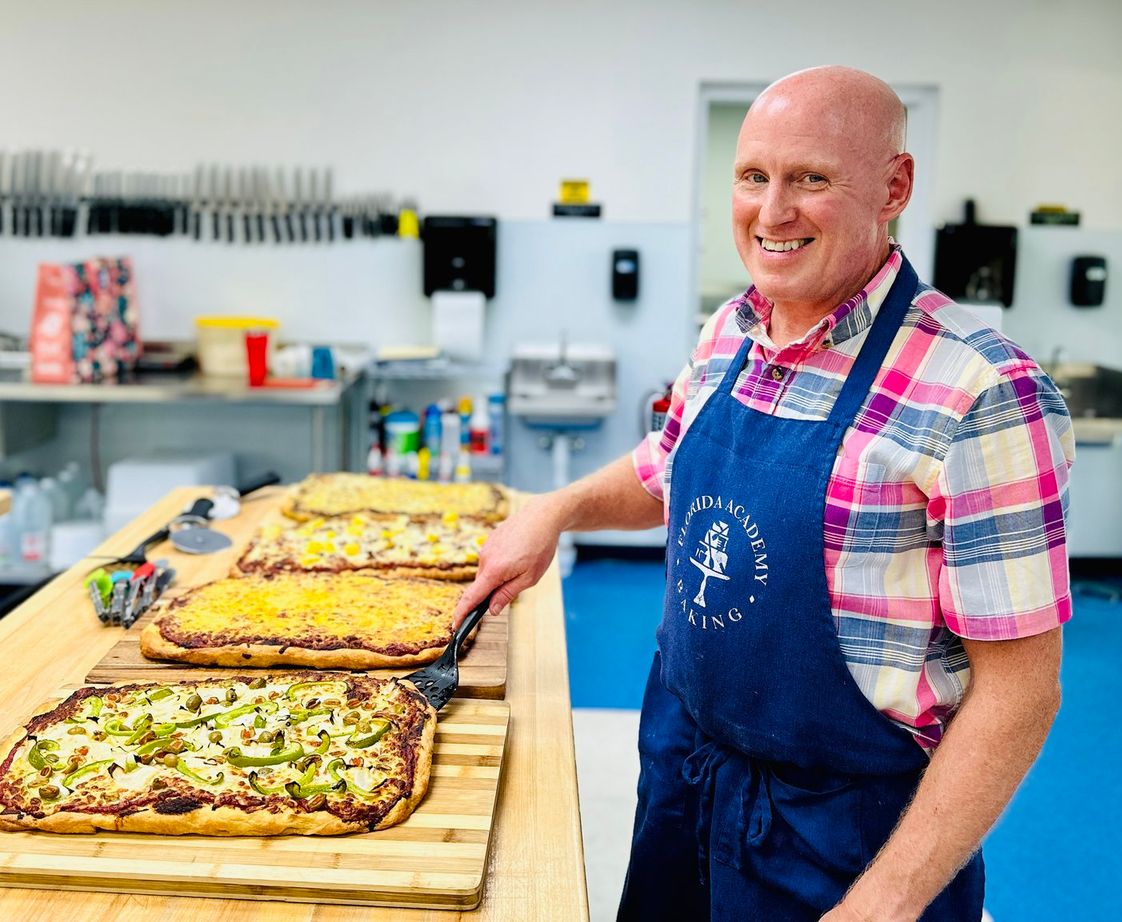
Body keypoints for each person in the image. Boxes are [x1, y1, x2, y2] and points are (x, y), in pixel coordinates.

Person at [454, 65, 1073, 921]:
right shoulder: (731, 331)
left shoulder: (982, 391)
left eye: (811, 179)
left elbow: (1021, 691)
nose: (772, 212)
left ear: (893, 187)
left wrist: (885, 903)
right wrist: (554, 512)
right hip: (685, 779)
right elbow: (662, 469)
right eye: (754, 177)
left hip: (848, 838)